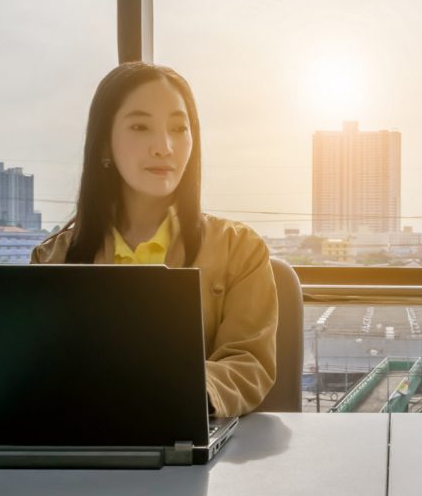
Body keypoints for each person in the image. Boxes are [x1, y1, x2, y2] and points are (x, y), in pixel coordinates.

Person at [31, 61, 278, 417]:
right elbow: (39, 373)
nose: (164, 147)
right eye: (140, 126)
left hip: (195, 446)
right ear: (104, 145)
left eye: (179, 128)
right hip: (83, 447)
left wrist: (172, 392)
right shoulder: (52, 259)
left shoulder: (240, 250)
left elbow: (248, 362)